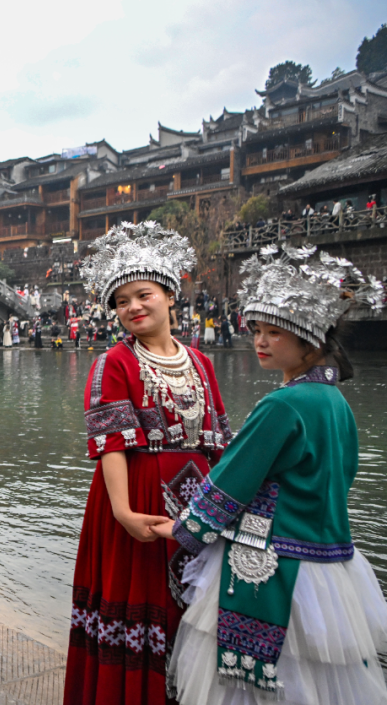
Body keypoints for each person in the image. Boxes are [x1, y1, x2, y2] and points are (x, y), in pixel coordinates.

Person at [158, 245, 387, 703]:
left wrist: (181, 529)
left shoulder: (283, 404)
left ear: (311, 340)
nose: (259, 341)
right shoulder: (336, 403)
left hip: (274, 563)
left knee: (255, 688)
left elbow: (230, 482)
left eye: (274, 333)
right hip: (330, 563)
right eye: (257, 330)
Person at [65, 222, 232, 705]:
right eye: (121, 301)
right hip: (135, 499)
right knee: (142, 606)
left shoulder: (201, 362)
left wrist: (223, 509)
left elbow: (219, 443)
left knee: (195, 604)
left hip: (197, 505)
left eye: (143, 295)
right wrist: (121, 510)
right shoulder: (113, 362)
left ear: (169, 296)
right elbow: (111, 443)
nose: (133, 308)